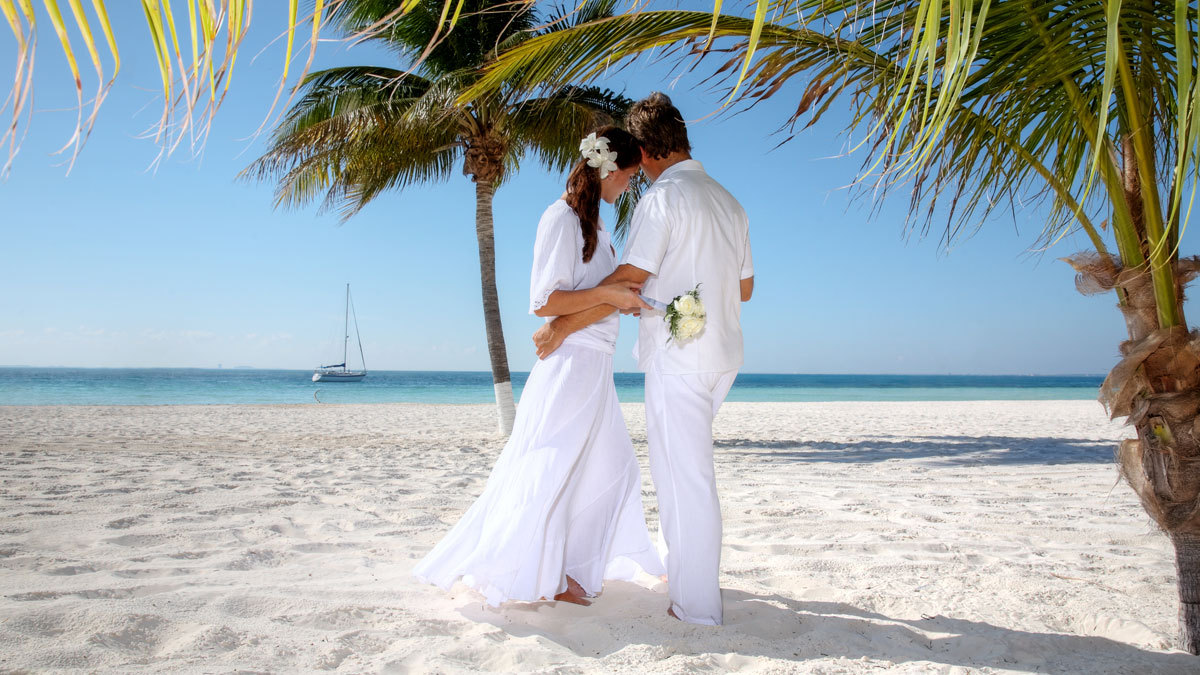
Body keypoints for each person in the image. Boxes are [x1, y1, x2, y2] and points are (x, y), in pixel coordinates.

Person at [414, 126, 664, 607]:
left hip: (595, 366)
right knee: (553, 471)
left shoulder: (596, 227)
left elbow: (596, 299)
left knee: (611, 470)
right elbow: (544, 301)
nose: (630, 184)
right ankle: (540, 573)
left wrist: (618, 302)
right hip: (571, 366)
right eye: (630, 175)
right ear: (609, 169)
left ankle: (565, 568)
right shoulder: (562, 218)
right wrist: (607, 296)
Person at [532, 93, 754, 625]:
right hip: (723, 354)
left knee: (686, 481)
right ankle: (685, 581)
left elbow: (630, 276)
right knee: (686, 475)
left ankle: (697, 606)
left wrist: (563, 323)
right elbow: (743, 289)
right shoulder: (729, 201)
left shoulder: (664, 197)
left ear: (650, 151)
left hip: (681, 356)